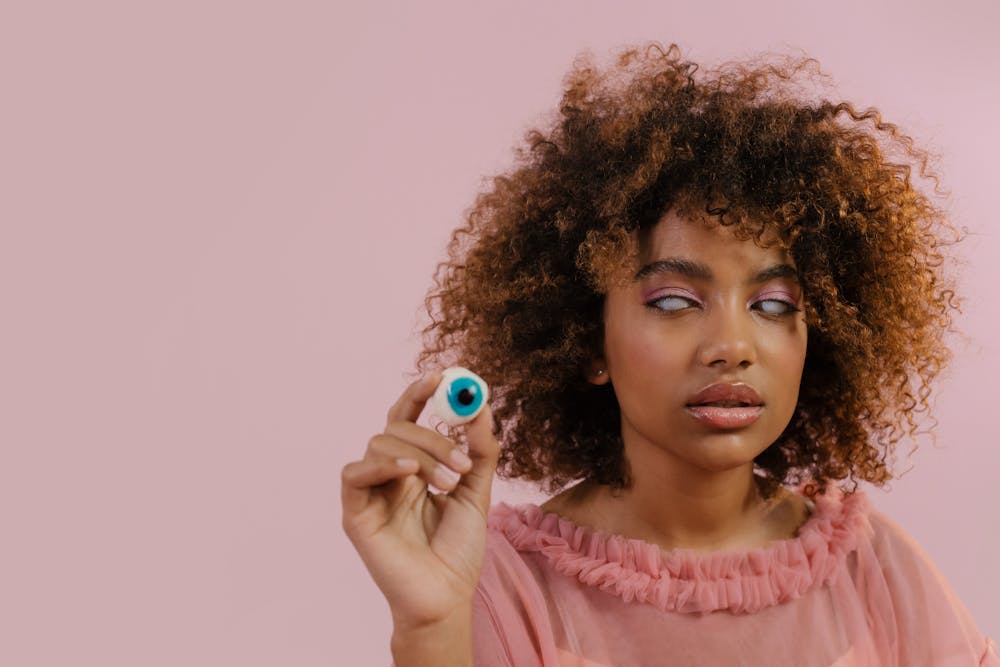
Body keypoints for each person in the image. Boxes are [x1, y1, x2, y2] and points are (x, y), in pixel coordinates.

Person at [341, 42, 999, 666]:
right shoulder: (503, 587)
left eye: (772, 305)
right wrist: (429, 627)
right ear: (588, 339)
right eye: (676, 300)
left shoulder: (876, 571)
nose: (732, 347)